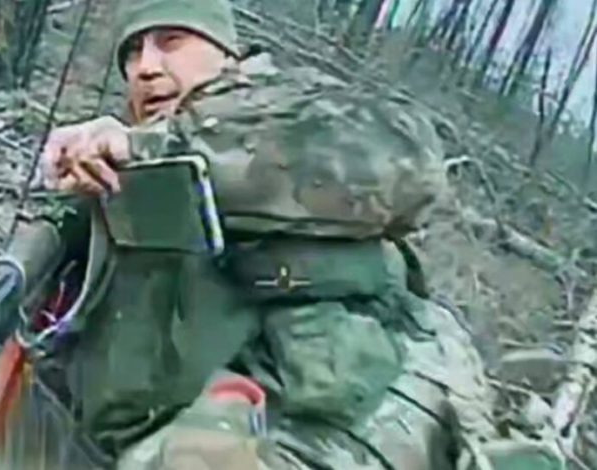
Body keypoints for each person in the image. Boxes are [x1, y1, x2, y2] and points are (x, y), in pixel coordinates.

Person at [38, 0, 565, 468]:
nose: (146, 67)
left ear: (224, 49)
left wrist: (158, 148)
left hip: (353, 400)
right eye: (132, 53)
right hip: (208, 410)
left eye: (170, 41)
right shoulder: (121, 161)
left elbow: (411, 166)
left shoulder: (284, 105)